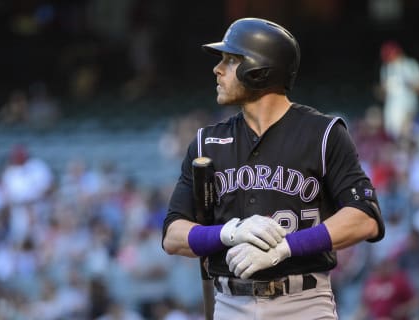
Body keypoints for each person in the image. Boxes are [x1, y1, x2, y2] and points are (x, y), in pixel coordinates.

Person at [162, 17, 385, 320]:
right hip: (230, 304)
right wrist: (229, 232)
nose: (217, 69)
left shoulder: (323, 134)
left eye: (230, 60)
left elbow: (365, 218)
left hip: (304, 303)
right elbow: (173, 235)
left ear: (258, 69)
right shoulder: (206, 143)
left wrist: (286, 248)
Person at [377, 40, 419, 140]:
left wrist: (409, 84)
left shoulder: (411, 65)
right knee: (393, 138)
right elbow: (383, 96)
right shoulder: (386, 68)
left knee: (409, 137)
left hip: (409, 107)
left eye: (391, 56)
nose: (391, 59)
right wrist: (381, 90)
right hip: (392, 111)